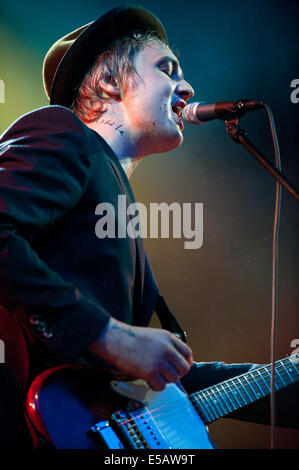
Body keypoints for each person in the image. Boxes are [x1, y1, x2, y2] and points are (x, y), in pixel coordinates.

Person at [0, 5, 297, 448]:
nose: (188, 86)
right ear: (108, 81)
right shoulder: (61, 133)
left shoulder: (113, 198)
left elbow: (143, 381)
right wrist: (107, 334)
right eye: (167, 68)